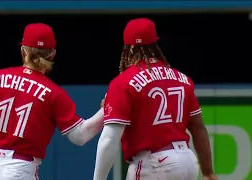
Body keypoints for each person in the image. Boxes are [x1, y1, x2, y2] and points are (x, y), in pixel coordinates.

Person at [0, 23, 104, 180]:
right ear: (52, 55)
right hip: (19, 169)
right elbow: (80, 136)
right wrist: (107, 109)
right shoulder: (53, 93)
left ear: (23, 51)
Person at [93, 18, 217, 180]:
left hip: (153, 164)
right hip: (187, 162)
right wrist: (208, 172)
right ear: (155, 44)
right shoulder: (182, 78)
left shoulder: (123, 82)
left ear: (128, 48)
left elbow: (109, 139)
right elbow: (198, 127)